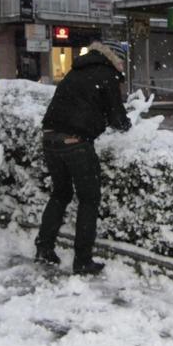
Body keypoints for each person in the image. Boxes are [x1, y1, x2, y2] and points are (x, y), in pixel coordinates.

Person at [34, 41, 132, 275]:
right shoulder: (107, 74)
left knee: (60, 194)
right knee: (89, 200)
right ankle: (82, 261)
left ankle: (44, 248)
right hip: (75, 142)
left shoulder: (76, 71)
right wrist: (128, 125)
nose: (121, 67)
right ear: (114, 59)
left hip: (50, 139)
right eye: (121, 62)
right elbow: (118, 118)